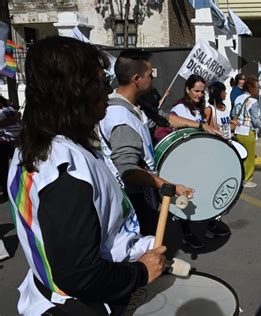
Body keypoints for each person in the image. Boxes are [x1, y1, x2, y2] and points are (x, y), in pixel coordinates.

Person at [8, 36, 168, 315]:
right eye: (100, 83)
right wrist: (140, 273)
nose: (107, 92)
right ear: (74, 91)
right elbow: (80, 274)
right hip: (82, 306)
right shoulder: (65, 171)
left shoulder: (35, 146)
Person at [99, 49, 194, 238]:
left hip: (142, 194)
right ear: (137, 78)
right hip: (134, 200)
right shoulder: (121, 117)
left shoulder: (130, 104)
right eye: (150, 75)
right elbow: (127, 170)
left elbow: (162, 118)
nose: (153, 78)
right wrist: (169, 186)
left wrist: (201, 125)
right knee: (144, 245)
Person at [169, 75, 231, 249]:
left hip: (200, 160)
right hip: (184, 161)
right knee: (186, 196)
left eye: (202, 91)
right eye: (196, 91)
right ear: (187, 89)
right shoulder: (180, 108)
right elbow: (170, 120)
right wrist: (201, 126)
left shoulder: (198, 108)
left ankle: (209, 223)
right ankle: (187, 233)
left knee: (206, 190)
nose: (199, 94)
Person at [232, 75, 261, 188]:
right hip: (248, 133)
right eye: (257, 87)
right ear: (251, 88)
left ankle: (239, 177)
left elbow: (233, 114)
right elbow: (256, 120)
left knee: (241, 157)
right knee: (249, 158)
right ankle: (247, 180)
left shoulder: (238, 98)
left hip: (238, 132)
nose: (258, 89)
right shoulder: (253, 101)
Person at [0, 95, 20, 202]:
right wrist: (14, 118)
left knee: (15, 165)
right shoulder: (8, 109)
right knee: (5, 168)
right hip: (6, 141)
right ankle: (8, 190)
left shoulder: (7, 107)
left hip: (11, 141)